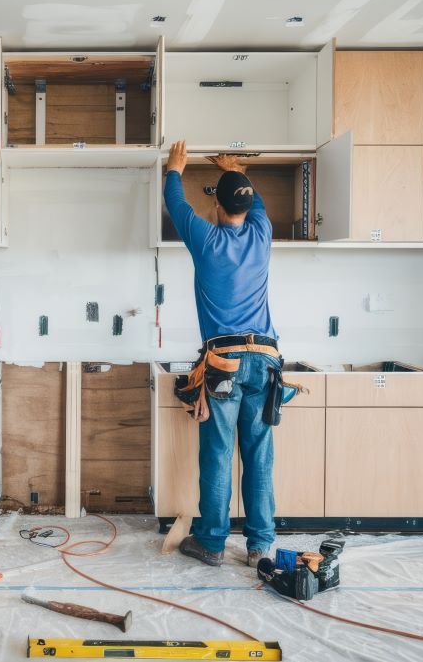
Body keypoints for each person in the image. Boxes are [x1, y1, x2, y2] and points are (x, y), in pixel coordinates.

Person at [163, 139, 280, 567]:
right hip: (265, 360)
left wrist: (175, 168)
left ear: (216, 205)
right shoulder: (263, 232)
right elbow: (255, 202)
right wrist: (235, 171)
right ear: (247, 206)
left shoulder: (207, 239)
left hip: (224, 365)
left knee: (218, 454)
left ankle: (212, 543)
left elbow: (176, 203)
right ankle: (259, 546)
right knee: (258, 456)